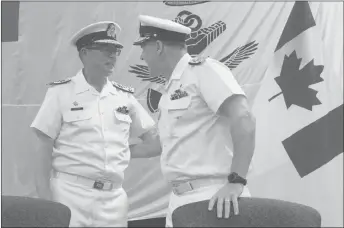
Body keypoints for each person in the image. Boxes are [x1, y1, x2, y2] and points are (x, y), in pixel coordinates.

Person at [30, 21, 160, 227]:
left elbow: (154, 143)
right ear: (84, 53)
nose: (113, 56)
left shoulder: (124, 97)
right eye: (105, 49)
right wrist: (45, 199)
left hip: (113, 200)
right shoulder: (61, 93)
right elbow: (44, 147)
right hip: (69, 194)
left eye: (116, 50)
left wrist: (117, 151)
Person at [132, 15, 256, 227]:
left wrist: (237, 181)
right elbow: (162, 144)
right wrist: (112, 151)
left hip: (214, 196)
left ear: (159, 46)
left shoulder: (204, 71)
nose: (142, 56)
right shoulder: (170, 89)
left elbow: (243, 117)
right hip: (179, 200)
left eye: (144, 48)